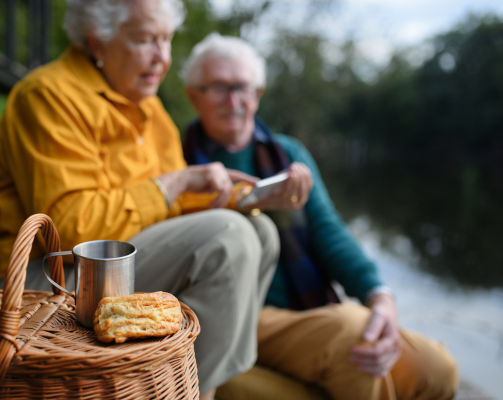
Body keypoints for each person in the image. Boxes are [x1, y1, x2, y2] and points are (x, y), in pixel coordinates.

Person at [0, 3, 280, 399]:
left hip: (117, 265)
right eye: (144, 40)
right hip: (47, 278)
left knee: (261, 230)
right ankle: (182, 391)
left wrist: (250, 196)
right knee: (230, 237)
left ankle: (190, 381)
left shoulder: (151, 110)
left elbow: (177, 207)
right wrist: (170, 183)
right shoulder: (48, 95)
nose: (162, 57)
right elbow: (71, 229)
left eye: (167, 40)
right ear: (96, 40)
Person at [182, 32, 458, 400]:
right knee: (351, 335)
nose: (233, 100)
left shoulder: (287, 154)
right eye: (218, 88)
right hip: (240, 315)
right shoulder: (179, 159)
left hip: (306, 310)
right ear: (193, 95)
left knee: (435, 369)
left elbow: (329, 231)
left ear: (258, 94)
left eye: (242, 87)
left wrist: (379, 295)